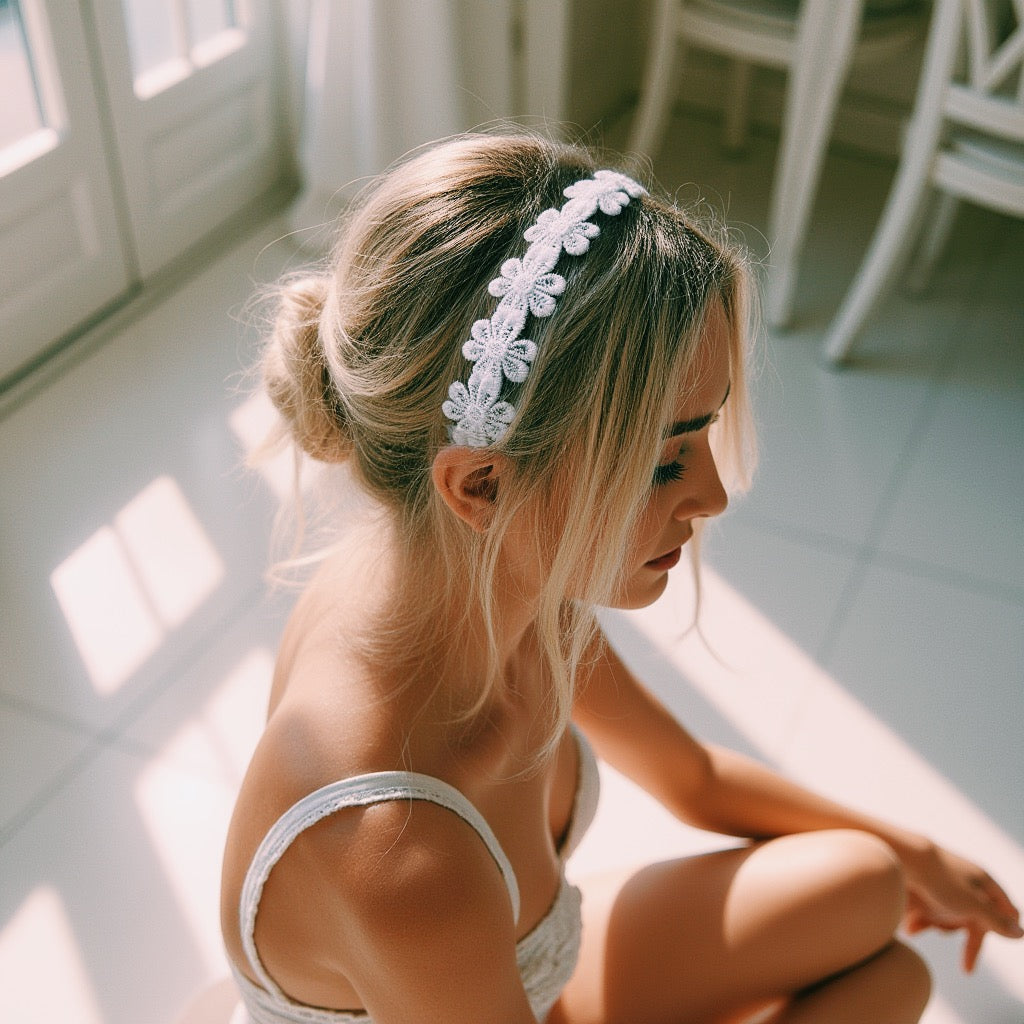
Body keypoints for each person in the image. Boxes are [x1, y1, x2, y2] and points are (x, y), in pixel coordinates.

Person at [220, 133, 1021, 1024]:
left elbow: (692, 778)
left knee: (869, 883)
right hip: (470, 982)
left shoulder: (495, 584)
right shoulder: (400, 859)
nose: (713, 497)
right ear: (482, 483)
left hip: (517, 987)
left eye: (703, 438)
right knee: (891, 988)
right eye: (661, 465)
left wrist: (917, 854)